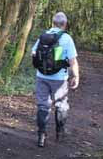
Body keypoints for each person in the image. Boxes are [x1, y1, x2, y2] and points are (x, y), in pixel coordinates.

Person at [30, 12, 80, 147]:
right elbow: (72, 60)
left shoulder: (43, 36)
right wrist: (75, 76)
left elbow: (33, 53)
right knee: (61, 104)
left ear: (53, 23)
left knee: (42, 105)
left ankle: (41, 135)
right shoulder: (67, 38)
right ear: (65, 24)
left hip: (41, 76)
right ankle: (60, 132)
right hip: (59, 79)